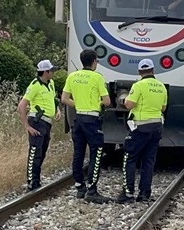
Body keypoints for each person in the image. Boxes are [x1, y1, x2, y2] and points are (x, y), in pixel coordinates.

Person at [61, 49, 112, 202]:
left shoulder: (73, 76)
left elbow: (64, 99)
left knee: (78, 153)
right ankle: (92, 188)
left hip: (78, 118)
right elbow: (107, 101)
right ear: (94, 61)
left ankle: (79, 186)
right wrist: (98, 104)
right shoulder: (97, 78)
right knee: (96, 153)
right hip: (92, 119)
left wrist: (77, 104)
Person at [118, 58, 168, 204]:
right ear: (153, 70)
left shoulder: (138, 85)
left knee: (130, 158)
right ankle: (144, 193)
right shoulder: (161, 87)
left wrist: (124, 100)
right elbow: (163, 108)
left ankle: (128, 193)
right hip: (157, 127)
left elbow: (129, 104)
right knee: (148, 161)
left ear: (140, 72)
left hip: (140, 127)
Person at [17, 60, 61, 191]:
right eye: (51, 71)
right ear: (45, 72)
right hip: (37, 121)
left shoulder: (51, 84)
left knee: (42, 151)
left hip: (47, 122)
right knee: (35, 152)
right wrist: (27, 126)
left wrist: (57, 110)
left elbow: (53, 99)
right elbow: (22, 105)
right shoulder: (35, 85)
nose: (53, 73)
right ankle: (32, 181)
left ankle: (37, 178)